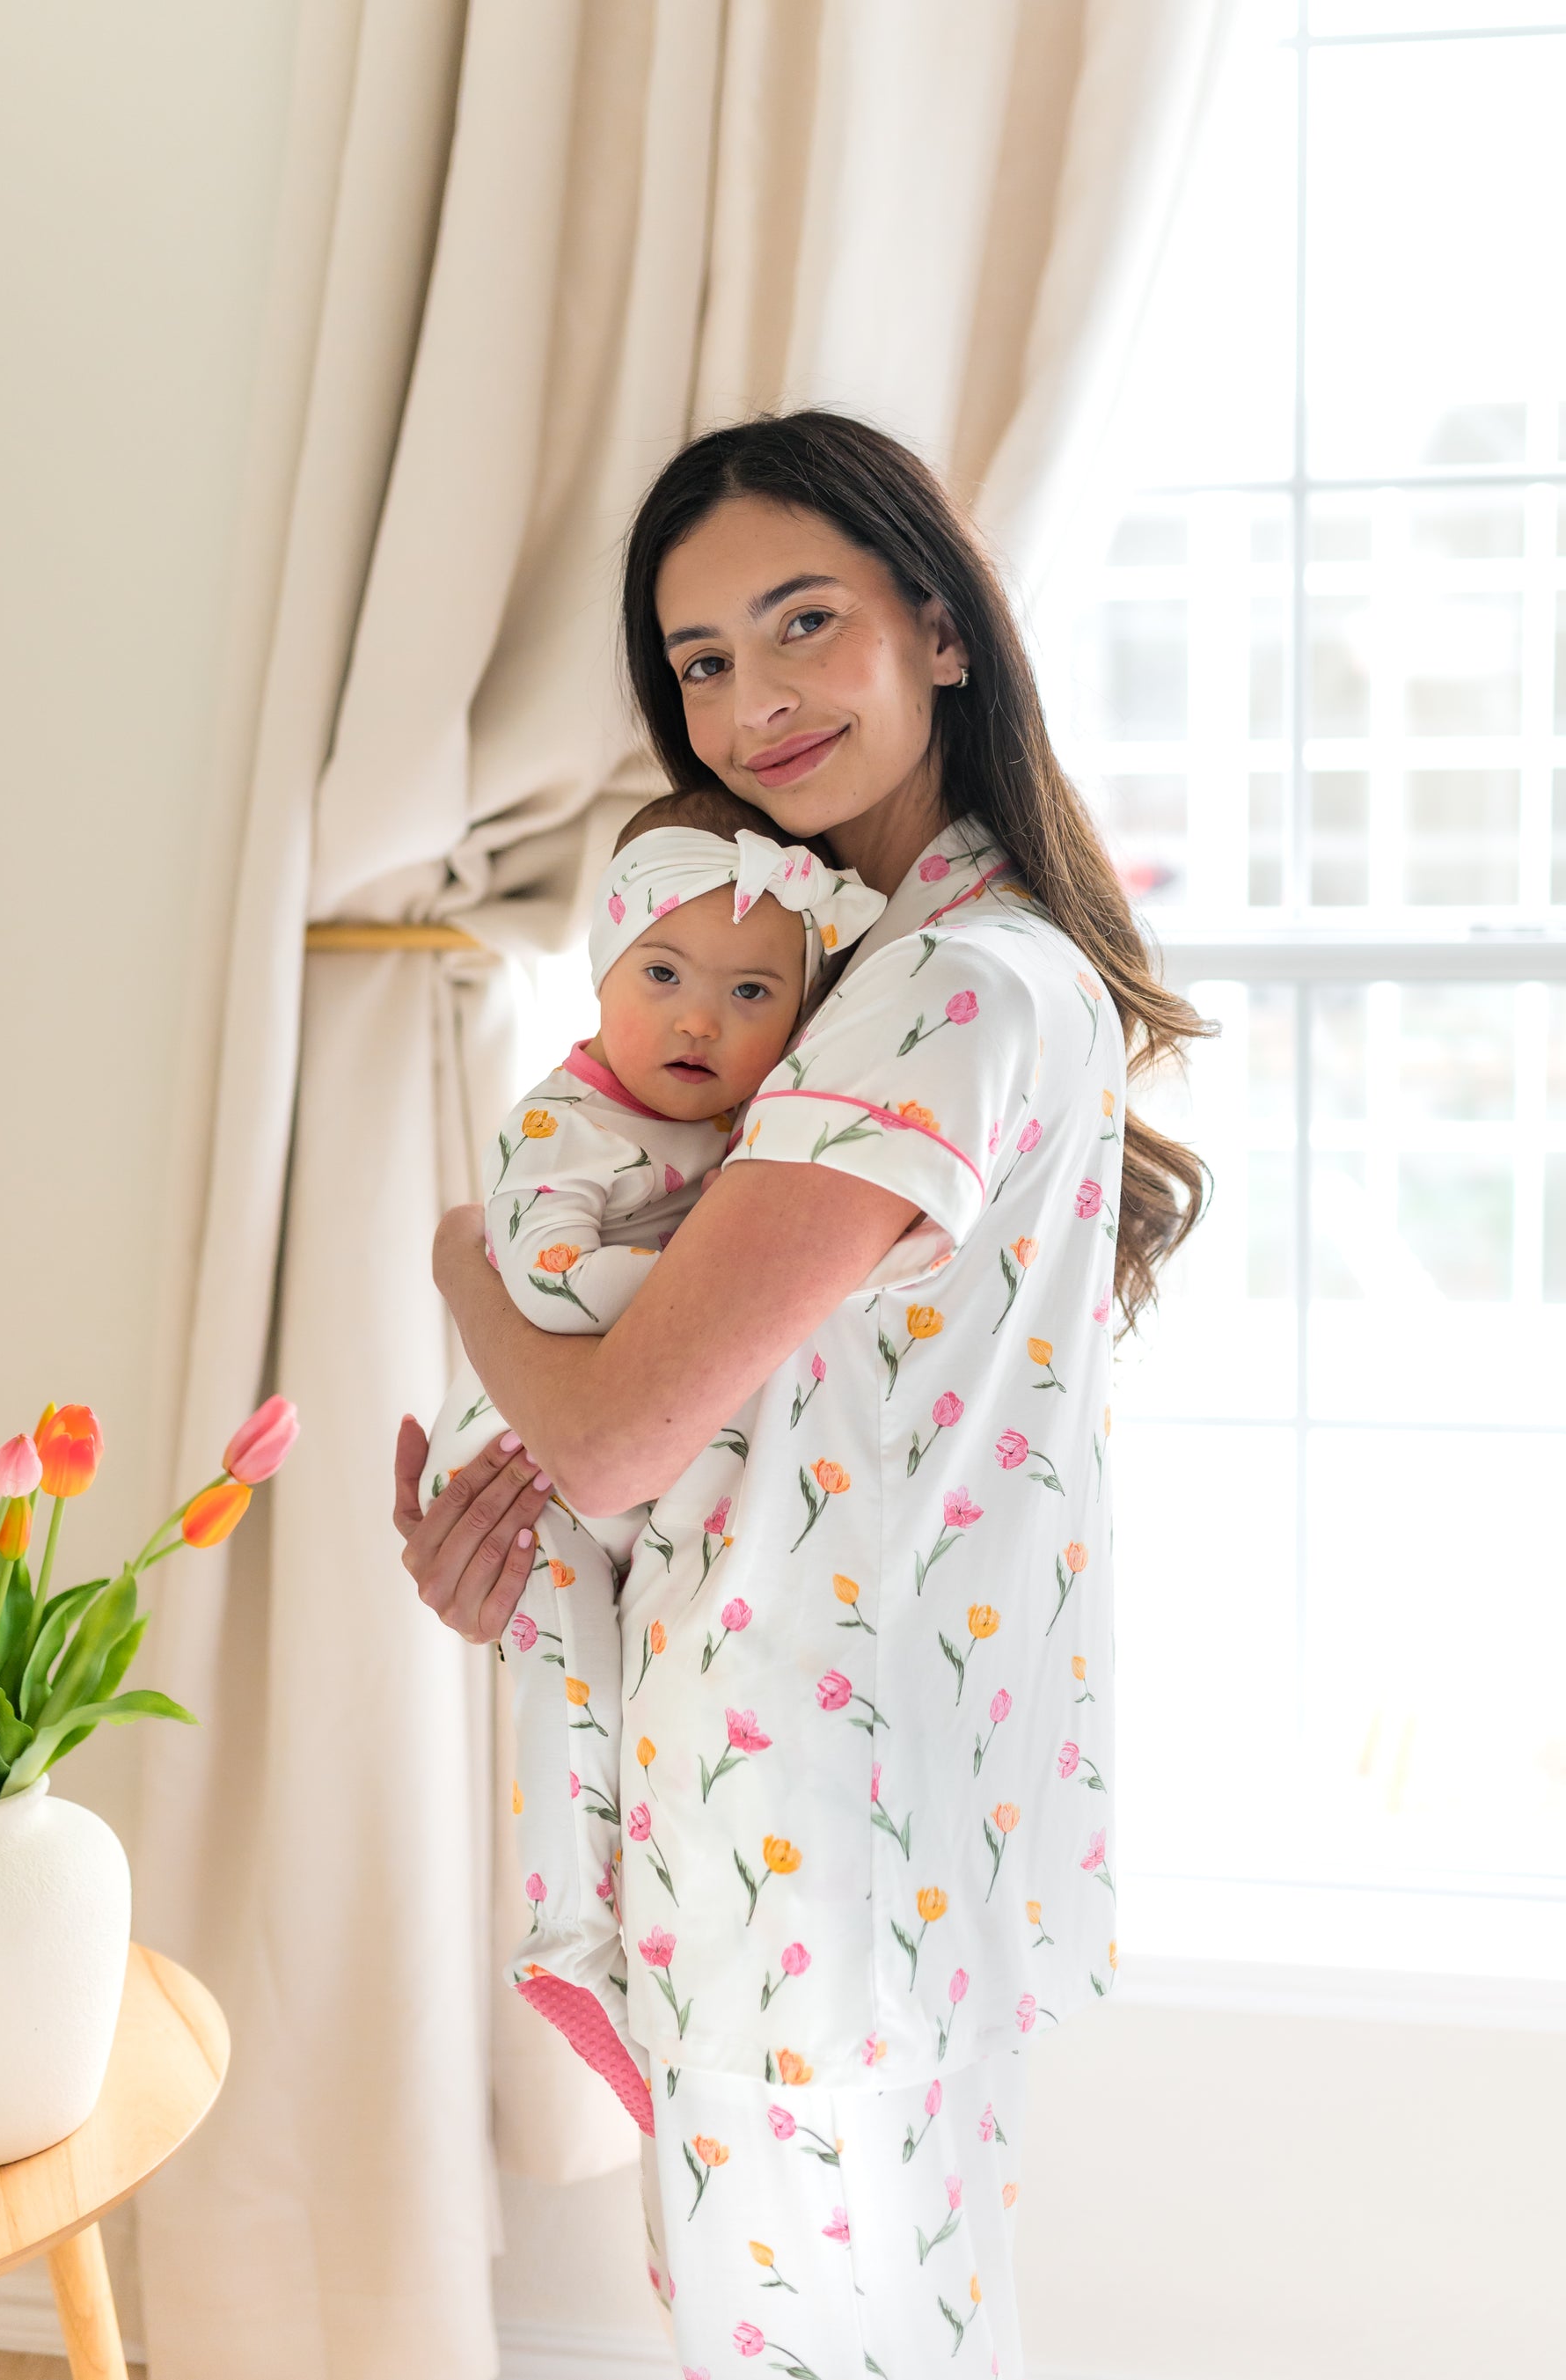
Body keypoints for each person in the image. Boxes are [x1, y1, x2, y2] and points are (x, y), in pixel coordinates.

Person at [394, 411, 1210, 2379]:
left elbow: (611, 1430)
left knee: (812, 2338)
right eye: (698, 662)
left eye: (801, 623)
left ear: (939, 629)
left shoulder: (952, 991)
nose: (748, 701)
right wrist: (529, 1544)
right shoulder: (858, 984)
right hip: (832, 1794)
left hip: (807, 1810)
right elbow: (714, 1435)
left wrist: (455, 1267)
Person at [420, 786, 885, 2128]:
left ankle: (613, 1938)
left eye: (752, 992)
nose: (700, 1019)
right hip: (532, 1471)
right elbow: (549, 1287)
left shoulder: (760, 1137)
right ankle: (571, 1935)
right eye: (666, 975)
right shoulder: (567, 1120)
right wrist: (701, 1295)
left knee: (628, 1717)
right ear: (603, 973)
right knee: (568, 1694)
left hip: (639, 1479)